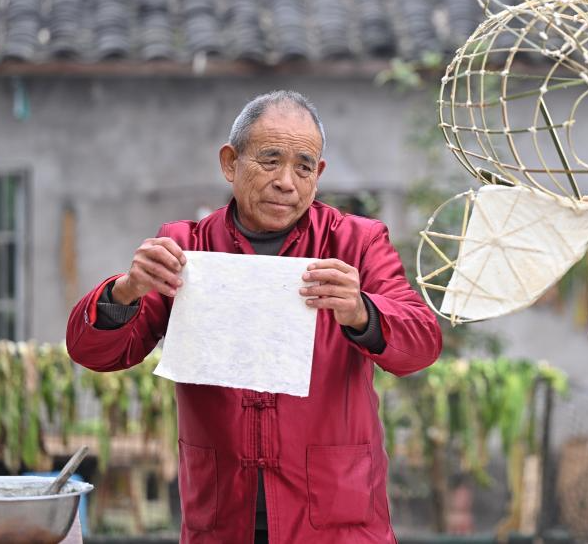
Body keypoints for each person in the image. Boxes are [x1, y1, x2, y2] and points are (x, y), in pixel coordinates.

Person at [66, 90, 443, 543]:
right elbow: (94, 352)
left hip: (337, 517)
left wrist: (362, 310)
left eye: (303, 167)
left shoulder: (355, 244)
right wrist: (126, 289)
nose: (286, 182)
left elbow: (422, 343)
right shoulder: (186, 248)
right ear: (230, 162)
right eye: (270, 161)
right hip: (222, 511)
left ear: (318, 175)